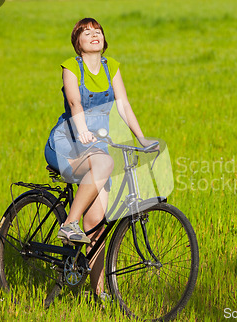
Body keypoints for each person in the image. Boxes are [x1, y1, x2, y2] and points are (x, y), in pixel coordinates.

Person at [44, 17, 153, 298]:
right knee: (105, 162)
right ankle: (68, 224)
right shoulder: (71, 66)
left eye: (98, 31)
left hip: (94, 148)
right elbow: (74, 102)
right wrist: (81, 131)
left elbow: (124, 105)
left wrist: (141, 138)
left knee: (96, 225)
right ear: (77, 43)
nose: (94, 35)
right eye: (87, 32)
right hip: (66, 143)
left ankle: (100, 293)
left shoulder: (111, 66)